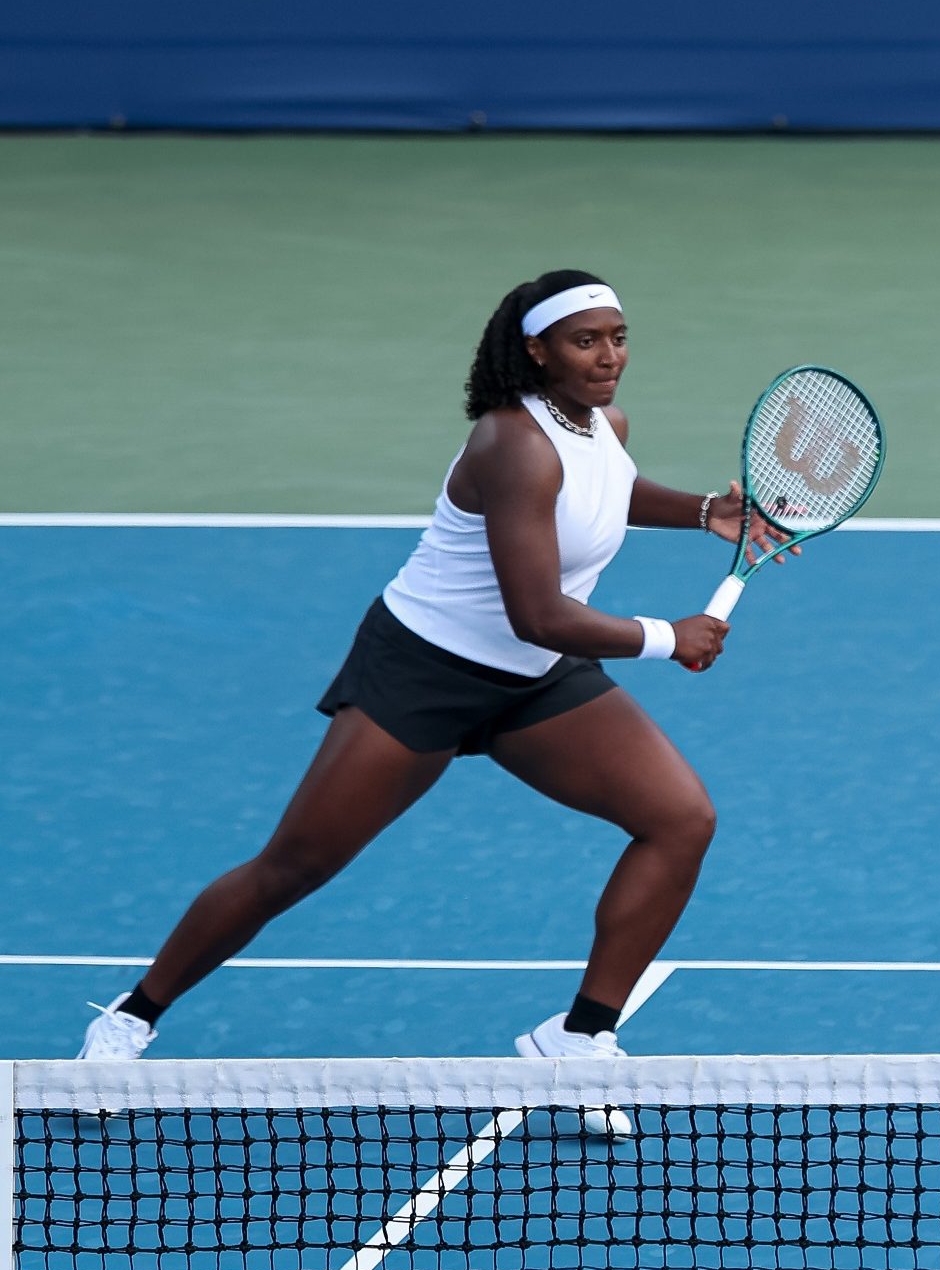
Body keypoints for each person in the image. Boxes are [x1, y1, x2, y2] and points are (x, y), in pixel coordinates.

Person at [74, 270, 785, 1128]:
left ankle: (579, 1036)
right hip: (425, 672)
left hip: (535, 677)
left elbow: (607, 489)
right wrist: (668, 637)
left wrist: (706, 510)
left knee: (680, 819)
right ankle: (131, 1017)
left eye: (618, 337)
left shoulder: (605, 427)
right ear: (537, 350)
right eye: (585, 340)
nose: (609, 357)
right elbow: (538, 611)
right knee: (295, 865)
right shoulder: (511, 443)